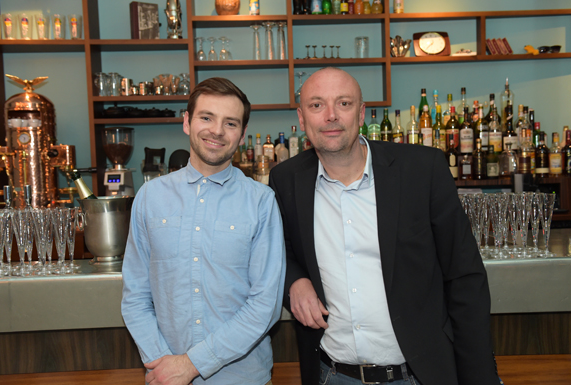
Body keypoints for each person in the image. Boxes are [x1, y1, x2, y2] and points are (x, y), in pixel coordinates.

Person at [269, 67, 500, 385]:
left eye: (344, 103)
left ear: (361, 113)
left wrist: (480, 379)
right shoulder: (287, 178)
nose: (331, 116)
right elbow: (282, 251)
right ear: (302, 116)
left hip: (418, 374)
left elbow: (465, 279)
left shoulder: (422, 169)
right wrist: (295, 282)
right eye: (317, 105)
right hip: (331, 374)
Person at [122, 77, 286, 385]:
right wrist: (163, 364)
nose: (217, 131)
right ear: (187, 122)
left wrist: (190, 365)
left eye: (231, 123)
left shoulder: (261, 202)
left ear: (242, 134)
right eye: (206, 117)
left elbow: (265, 306)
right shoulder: (150, 197)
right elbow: (135, 295)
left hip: (243, 379)